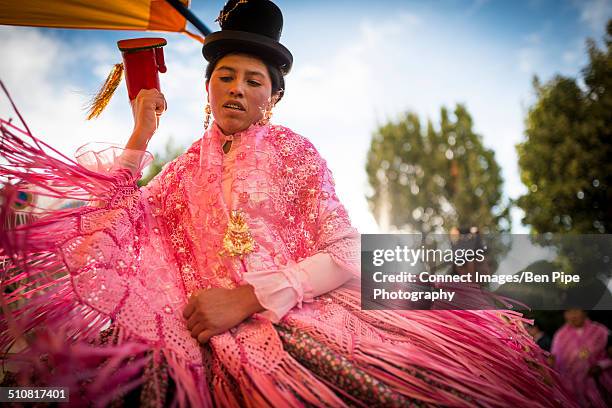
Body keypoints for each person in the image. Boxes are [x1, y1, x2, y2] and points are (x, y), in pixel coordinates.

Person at [0, 1, 575, 406]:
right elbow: (111, 230)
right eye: (225, 76)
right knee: (55, 391)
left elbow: (350, 250)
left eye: (254, 81)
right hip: (196, 340)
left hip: (300, 324)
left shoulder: (296, 153)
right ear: (206, 88)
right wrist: (140, 137)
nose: (237, 89)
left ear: (273, 96)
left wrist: (248, 296)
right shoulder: (176, 173)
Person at [551, 309, 612, 407]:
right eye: (568, 312)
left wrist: (601, 365)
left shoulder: (600, 331)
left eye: (575, 311)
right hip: (571, 388)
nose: (572, 315)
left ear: (585, 312)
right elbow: (555, 359)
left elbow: (609, 356)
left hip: (599, 384)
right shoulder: (560, 335)